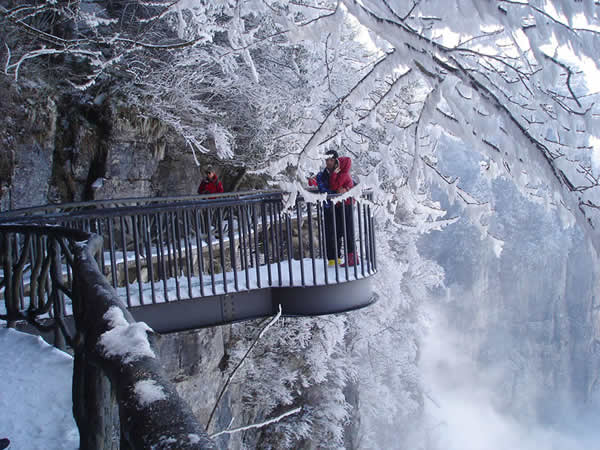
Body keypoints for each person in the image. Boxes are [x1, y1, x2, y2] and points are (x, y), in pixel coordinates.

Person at [316, 150, 358, 267]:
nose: (328, 162)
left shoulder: (342, 172)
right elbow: (323, 189)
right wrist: (337, 192)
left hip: (342, 206)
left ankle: (348, 257)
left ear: (336, 161)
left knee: (344, 230)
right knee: (331, 233)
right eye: (327, 160)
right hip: (330, 206)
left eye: (331, 160)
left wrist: (347, 189)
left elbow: (352, 184)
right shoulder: (322, 175)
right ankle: (333, 259)